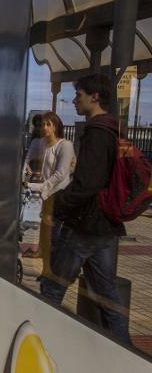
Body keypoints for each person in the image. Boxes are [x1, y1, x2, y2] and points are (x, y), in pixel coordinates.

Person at [40, 74, 131, 344]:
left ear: (95, 97)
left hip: (86, 224)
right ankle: (123, 347)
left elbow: (86, 184)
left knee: (52, 287)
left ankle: (43, 342)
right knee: (107, 296)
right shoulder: (114, 131)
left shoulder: (97, 132)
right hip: (104, 226)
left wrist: (57, 207)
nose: (74, 100)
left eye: (79, 94)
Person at [24, 112, 75, 280]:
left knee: (55, 235)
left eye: (47, 124)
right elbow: (29, 157)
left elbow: (61, 174)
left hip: (61, 195)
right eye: (41, 125)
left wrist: (37, 186)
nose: (43, 128)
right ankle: (48, 269)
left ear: (55, 126)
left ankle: (55, 271)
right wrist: (25, 169)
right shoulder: (41, 144)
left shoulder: (65, 145)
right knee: (47, 234)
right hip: (48, 195)